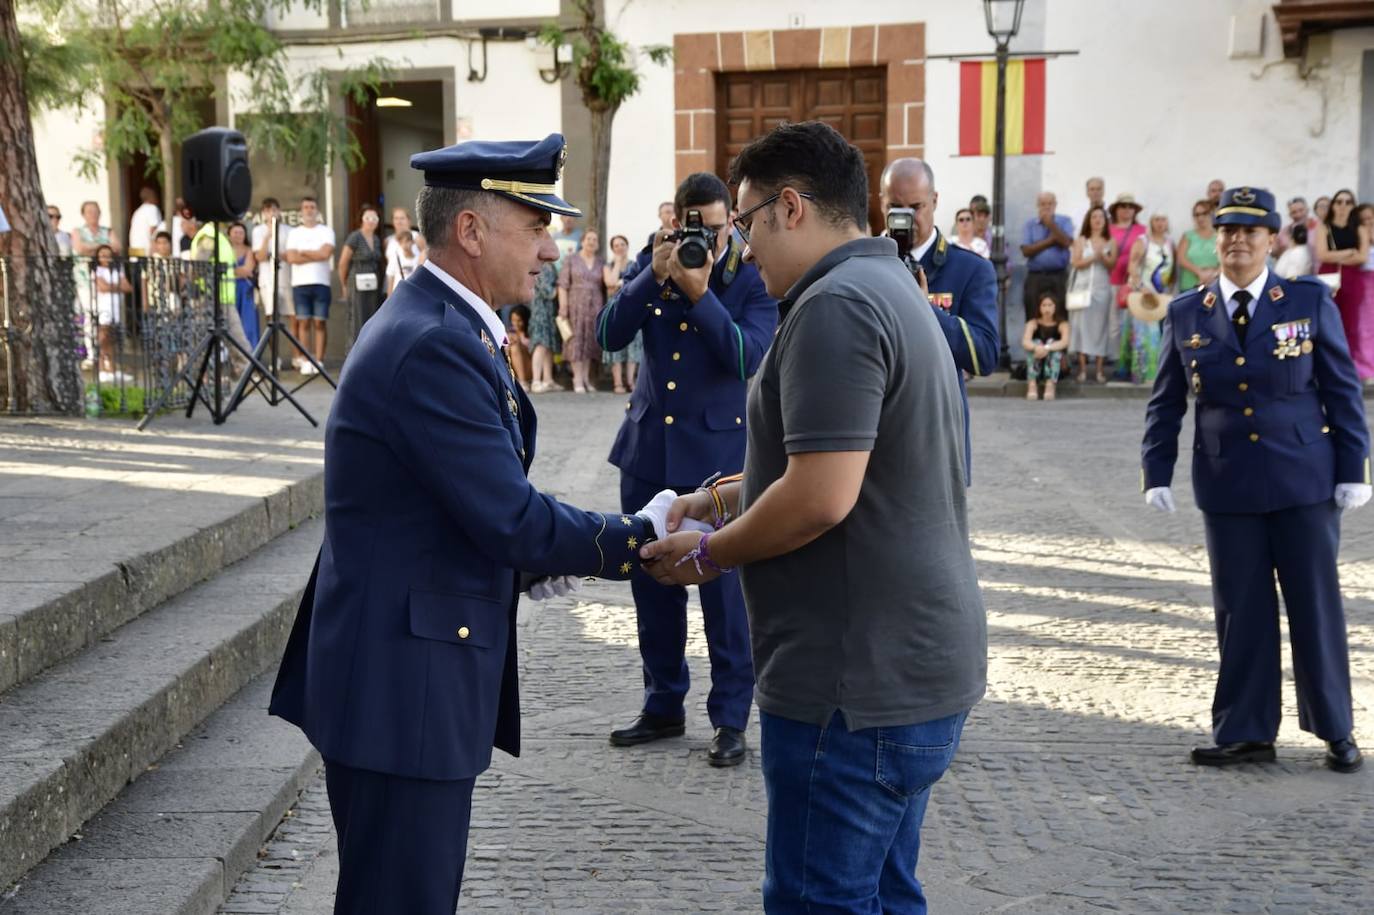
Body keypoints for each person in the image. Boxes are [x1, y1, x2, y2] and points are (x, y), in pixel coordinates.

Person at [269, 133, 657, 915]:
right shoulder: (435, 343)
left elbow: (460, 503)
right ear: (472, 231)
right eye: (536, 227)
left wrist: (540, 557)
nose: (550, 249)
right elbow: (510, 515)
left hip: (404, 672)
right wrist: (637, 537)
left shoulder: (445, 323)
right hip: (401, 688)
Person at [641, 121, 985, 914]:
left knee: (818, 901)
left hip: (851, 685)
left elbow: (822, 494)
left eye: (748, 220)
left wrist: (709, 552)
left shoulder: (836, 303)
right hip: (907, 669)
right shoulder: (886, 280)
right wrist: (718, 495)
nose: (742, 247)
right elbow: (834, 454)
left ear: (790, 207)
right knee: (887, 894)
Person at [1142, 185, 1369, 775]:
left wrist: (1354, 469)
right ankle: (1244, 730)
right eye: (1227, 231)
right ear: (1214, 240)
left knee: (1315, 607)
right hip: (1228, 483)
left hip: (1304, 482)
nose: (1237, 241)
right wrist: (1155, 469)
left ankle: (1336, 728)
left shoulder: (1307, 300)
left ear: (1272, 239)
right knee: (1240, 610)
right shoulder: (1189, 311)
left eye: (1250, 231)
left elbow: (1343, 390)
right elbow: (1166, 401)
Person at [595, 171, 777, 767]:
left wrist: (700, 294)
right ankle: (662, 704)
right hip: (649, 453)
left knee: (724, 597)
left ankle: (730, 720)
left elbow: (747, 357)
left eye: (718, 227)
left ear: (732, 223)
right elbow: (608, 334)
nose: (707, 237)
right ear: (676, 219)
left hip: (717, 463)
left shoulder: (749, 277)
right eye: (694, 224)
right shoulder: (656, 264)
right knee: (651, 585)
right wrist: (656, 271)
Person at [880, 157, 999, 482]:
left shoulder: (970, 269)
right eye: (895, 206)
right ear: (881, 203)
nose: (905, 218)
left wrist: (926, 310)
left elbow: (985, 355)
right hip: (872, 437)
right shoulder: (859, 263)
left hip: (936, 434)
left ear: (935, 201)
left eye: (916, 206)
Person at [1316, 189, 1373, 379]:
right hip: (1328, 277)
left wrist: (1337, 257)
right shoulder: (1324, 227)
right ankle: (1326, 365)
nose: (1343, 205)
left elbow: (1362, 256)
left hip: (1353, 280)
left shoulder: (1360, 228)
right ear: (1333, 205)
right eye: (1339, 201)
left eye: (1348, 202)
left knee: (1350, 322)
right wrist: (1349, 252)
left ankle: (1347, 367)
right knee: (1327, 320)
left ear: (1353, 205)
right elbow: (1322, 255)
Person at [285, 196, 335, 374]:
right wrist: (315, 253)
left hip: (321, 282)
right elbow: (291, 258)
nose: (309, 210)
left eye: (312, 207)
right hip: (300, 284)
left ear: (317, 210)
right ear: (301, 211)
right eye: (305, 207)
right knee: (304, 323)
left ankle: (319, 361)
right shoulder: (294, 233)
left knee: (320, 323)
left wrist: (304, 252)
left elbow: (325, 254)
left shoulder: (326, 231)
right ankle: (306, 360)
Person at [1068, 205, 1116, 382]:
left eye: (1100, 217)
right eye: (1094, 217)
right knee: (1081, 328)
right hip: (1082, 287)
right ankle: (1082, 369)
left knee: (1100, 328)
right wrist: (1094, 257)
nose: (1097, 220)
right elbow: (1076, 262)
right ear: (1089, 220)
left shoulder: (1110, 241)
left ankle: (1099, 369)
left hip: (1101, 288)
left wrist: (1102, 256)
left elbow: (1112, 265)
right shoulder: (1081, 240)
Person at [1126, 212, 1174, 384]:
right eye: (1157, 219)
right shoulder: (1143, 240)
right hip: (1144, 294)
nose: (1160, 223)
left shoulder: (1169, 242)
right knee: (1143, 334)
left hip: (1161, 296)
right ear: (1151, 222)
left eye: (1163, 219)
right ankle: (1140, 374)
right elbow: (1132, 266)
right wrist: (1141, 287)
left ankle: (1155, 374)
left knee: (1158, 335)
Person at [556, 228, 605, 392]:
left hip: (595, 303)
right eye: (588, 239)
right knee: (575, 341)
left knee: (590, 341)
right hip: (575, 303)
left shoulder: (600, 262)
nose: (591, 242)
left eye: (594, 240)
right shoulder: (571, 259)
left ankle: (585, 378)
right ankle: (577, 379)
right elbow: (563, 284)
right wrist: (563, 306)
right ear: (582, 241)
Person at [1019, 191, 1074, 321]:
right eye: (1043, 204)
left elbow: (1066, 242)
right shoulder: (1030, 224)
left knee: (1061, 314)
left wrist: (1050, 224)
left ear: (1055, 205)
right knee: (1033, 312)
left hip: (1059, 276)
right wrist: (1051, 240)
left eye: (1050, 203)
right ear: (1038, 205)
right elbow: (1026, 250)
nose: (1047, 207)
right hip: (1036, 276)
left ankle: (1060, 342)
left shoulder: (1065, 221)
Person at [1108, 193, 1146, 375]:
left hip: (1135, 283)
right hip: (1113, 280)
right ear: (1116, 209)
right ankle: (1117, 360)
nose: (1126, 210)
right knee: (1115, 324)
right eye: (1122, 206)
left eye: (1130, 207)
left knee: (1134, 325)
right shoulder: (1109, 229)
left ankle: (1134, 361)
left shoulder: (1142, 230)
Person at [338, 203, 385, 346]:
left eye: (374, 218)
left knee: (371, 315)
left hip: (373, 283)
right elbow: (342, 263)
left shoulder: (377, 239)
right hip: (356, 282)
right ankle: (354, 350)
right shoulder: (355, 237)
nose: (371, 221)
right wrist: (344, 285)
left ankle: (369, 348)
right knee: (357, 316)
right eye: (368, 217)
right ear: (362, 219)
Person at [601, 233, 641, 393]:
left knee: (633, 345)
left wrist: (619, 284)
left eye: (622, 245)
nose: (619, 248)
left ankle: (631, 381)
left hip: (632, 309)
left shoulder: (635, 265)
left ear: (627, 246)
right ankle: (617, 382)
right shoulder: (608, 266)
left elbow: (635, 285)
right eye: (616, 245)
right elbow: (610, 283)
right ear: (612, 249)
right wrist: (617, 264)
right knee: (615, 343)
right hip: (614, 309)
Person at [252, 198, 293, 352]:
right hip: (267, 280)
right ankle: (276, 358)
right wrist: (268, 236)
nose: (272, 213)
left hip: (287, 278)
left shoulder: (289, 230)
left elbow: (289, 255)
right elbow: (260, 256)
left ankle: (296, 357)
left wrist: (277, 255)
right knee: (271, 318)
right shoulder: (258, 231)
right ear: (263, 213)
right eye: (268, 210)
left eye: (274, 209)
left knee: (292, 317)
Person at [92, 244, 131, 379]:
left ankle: (112, 368)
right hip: (103, 307)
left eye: (108, 255)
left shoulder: (117, 270)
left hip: (116, 307)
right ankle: (102, 367)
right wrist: (117, 286)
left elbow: (127, 287)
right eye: (102, 255)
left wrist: (111, 287)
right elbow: (102, 287)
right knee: (103, 337)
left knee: (112, 338)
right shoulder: (97, 270)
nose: (106, 257)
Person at [1022, 291, 1069, 401]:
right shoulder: (1033, 323)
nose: (1047, 308)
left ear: (1055, 307)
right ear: (1039, 307)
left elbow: (1064, 342)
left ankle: (1050, 385)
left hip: (1057, 364)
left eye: (1050, 305)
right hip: (1036, 361)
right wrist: (1036, 347)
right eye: (1044, 305)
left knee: (1053, 344)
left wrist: (1047, 348)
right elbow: (1025, 341)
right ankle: (1032, 384)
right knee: (1036, 342)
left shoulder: (1062, 324)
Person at [526, 259, 562, 392]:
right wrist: (560, 288)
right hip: (541, 310)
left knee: (548, 346)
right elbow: (548, 291)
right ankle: (536, 380)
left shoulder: (549, 266)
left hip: (549, 310)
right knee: (540, 344)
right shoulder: (540, 266)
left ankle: (548, 379)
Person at [227, 221, 260, 349]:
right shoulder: (225, 249)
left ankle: (251, 354)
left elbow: (247, 270)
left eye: (241, 233)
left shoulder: (249, 250)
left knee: (248, 324)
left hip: (245, 290)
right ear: (229, 234)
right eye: (235, 232)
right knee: (231, 324)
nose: (238, 235)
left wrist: (231, 271)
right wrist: (236, 272)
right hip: (229, 289)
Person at [1176, 199, 1220, 292]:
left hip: (1214, 286)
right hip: (1189, 286)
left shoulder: (1220, 236)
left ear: (1212, 213)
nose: (1200, 218)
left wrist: (1214, 274)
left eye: (1204, 213)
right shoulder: (1188, 236)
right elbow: (1181, 258)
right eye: (1197, 215)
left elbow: (1226, 259)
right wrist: (1200, 272)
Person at [1277, 196, 1320, 263]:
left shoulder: (1319, 226)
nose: (1298, 214)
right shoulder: (1284, 232)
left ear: (1307, 210)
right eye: (1294, 212)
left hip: (1317, 270)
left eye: (1301, 210)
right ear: (1290, 215)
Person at [127, 186, 162, 257]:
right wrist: (154, 249)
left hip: (135, 249)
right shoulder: (152, 208)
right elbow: (153, 230)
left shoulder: (137, 212)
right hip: (146, 249)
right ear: (152, 197)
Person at [385, 229, 422, 294]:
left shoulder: (418, 259)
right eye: (401, 242)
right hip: (398, 293)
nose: (405, 245)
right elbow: (390, 279)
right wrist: (389, 298)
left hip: (413, 293)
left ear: (412, 242)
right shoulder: (395, 258)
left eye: (407, 241)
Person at [507, 303, 533, 390]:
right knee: (511, 347)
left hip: (530, 367)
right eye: (513, 320)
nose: (516, 324)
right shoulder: (509, 333)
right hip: (514, 369)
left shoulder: (530, 334)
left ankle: (523, 381)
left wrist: (519, 344)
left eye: (519, 321)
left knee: (515, 347)